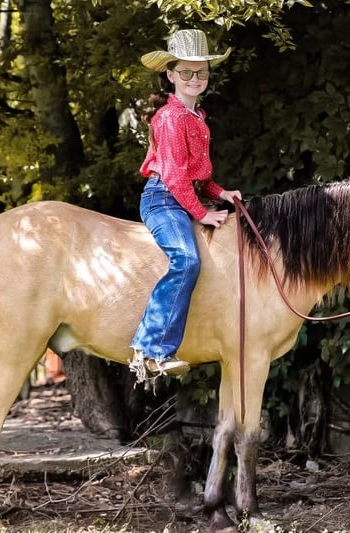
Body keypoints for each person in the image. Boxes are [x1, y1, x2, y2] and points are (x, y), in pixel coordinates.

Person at [129, 29, 241, 381]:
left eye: (201, 72)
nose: (195, 78)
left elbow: (198, 178)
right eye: (186, 72)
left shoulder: (196, 116)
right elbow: (176, 178)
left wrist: (222, 193)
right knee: (187, 259)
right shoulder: (171, 118)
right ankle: (151, 349)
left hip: (182, 195)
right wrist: (203, 213)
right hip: (163, 199)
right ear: (171, 74)